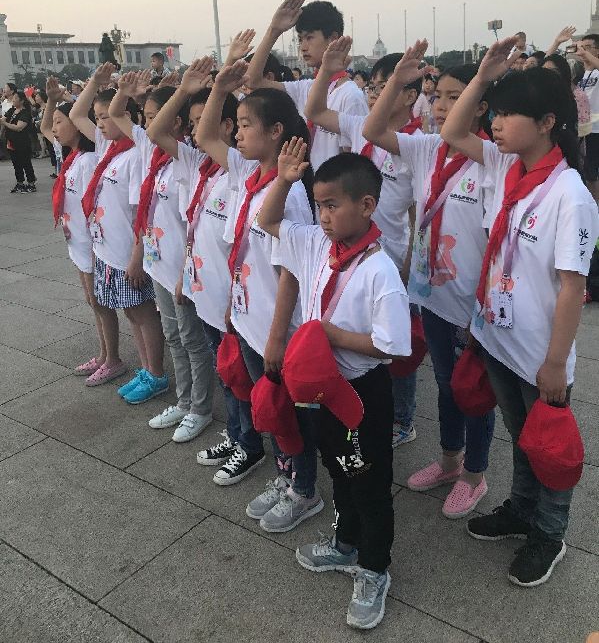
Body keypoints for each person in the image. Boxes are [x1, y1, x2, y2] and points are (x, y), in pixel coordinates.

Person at [440, 36, 599, 587]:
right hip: (498, 337)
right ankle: (521, 509)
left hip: (538, 353)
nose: (496, 122)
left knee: (550, 447)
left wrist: (555, 363)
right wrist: (482, 78)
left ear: (548, 122)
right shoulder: (504, 168)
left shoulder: (569, 195)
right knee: (519, 434)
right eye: (497, 112)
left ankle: (549, 534)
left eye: (509, 114)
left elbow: (573, 288)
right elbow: (453, 131)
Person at [258, 144, 411, 630]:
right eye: (318, 205)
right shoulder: (315, 245)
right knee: (340, 468)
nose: (322, 216)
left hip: (362, 394)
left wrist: (332, 335)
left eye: (332, 205)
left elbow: (392, 346)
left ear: (366, 206)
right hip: (324, 389)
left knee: (370, 481)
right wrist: (284, 179)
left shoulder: (379, 271)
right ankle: (345, 543)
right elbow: (267, 219)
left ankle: (374, 569)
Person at [363, 42, 496, 519]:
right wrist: (399, 81)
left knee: (474, 389)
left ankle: (475, 475)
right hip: (432, 294)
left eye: (455, 97)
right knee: (444, 382)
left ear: (479, 106)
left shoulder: (493, 159)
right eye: (437, 96)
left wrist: (482, 310)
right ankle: (449, 460)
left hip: (473, 303)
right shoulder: (427, 149)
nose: (441, 106)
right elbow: (372, 129)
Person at [195, 57, 323, 534]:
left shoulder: (290, 193)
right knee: (269, 407)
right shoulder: (248, 177)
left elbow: (291, 272)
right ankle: (286, 475)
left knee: (290, 414)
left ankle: (304, 490)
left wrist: (276, 338)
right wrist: (219, 90)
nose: (238, 132)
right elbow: (206, 137)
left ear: (276, 132)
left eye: (247, 124)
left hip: (276, 326)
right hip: (249, 317)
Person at [304, 37, 423, 447]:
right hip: (349, 251)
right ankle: (358, 409)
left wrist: (408, 262)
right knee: (358, 341)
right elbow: (315, 111)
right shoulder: (360, 128)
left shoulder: (415, 146)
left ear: (409, 94)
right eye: (372, 86)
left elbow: (416, 211)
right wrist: (326, 69)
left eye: (385, 86)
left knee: (395, 348)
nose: (374, 94)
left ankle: (402, 419)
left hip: (388, 257)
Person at [109, 69, 215, 442]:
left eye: (156, 116)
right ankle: (185, 402)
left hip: (182, 270)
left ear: (178, 122)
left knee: (192, 340)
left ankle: (200, 408)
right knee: (173, 336)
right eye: (147, 116)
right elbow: (119, 115)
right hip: (159, 264)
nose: (147, 124)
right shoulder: (153, 157)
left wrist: (181, 91)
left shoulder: (189, 159)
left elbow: (191, 225)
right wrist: (127, 93)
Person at [147, 63, 240, 452]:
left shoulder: (240, 170)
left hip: (228, 290)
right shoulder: (195, 163)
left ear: (230, 126)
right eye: (194, 123)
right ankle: (192, 405)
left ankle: (215, 418)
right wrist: (182, 92)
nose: (197, 131)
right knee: (188, 341)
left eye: (207, 121)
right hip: (192, 275)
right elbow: (156, 132)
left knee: (225, 361)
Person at [70, 68, 166, 396]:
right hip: (106, 251)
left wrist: (137, 258)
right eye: (97, 118)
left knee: (142, 312)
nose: (99, 123)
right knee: (130, 313)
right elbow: (76, 114)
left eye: (105, 117)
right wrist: (95, 84)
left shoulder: (136, 155)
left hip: (127, 253)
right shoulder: (107, 149)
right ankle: (145, 368)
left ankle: (156, 373)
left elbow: (142, 213)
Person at [41, 71, 124, 382]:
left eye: (60, 122)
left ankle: (112, 358)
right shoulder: (72, 156)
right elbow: (44, 127)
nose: (55, 128)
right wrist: (51, 102)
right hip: (76, 241)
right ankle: (103, 354)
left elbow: (94, 205)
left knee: (100, 302)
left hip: (90, 242)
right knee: (92, 300)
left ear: (77, 126)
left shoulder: (89, 160)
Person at [244, 0, 368, 171]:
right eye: (300, 39)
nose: (303, 47)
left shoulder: (350, 96)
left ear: (333, 38)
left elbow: (354, 162)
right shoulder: (306, 88)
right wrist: (274, 31)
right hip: (301, 182)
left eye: (309, 37)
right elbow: (253, 81)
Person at [574, 34, 599, 203]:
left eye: (587, 47)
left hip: (597, 129)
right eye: (581, 47)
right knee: (587, 171)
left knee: (592, 172)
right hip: (584, 129)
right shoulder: (580, 75)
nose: (582, 51)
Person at [1, 90, 37, 193]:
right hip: (11, 142)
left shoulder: (25, 113)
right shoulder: (12, 110)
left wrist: (5, 123)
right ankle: (20, 183)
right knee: (16, 164)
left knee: (26, 163)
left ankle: (31, 183)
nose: (13, 100)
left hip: (22, 142)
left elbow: (19, 128)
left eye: (16, 98)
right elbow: (3, 119)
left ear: (21, 101)